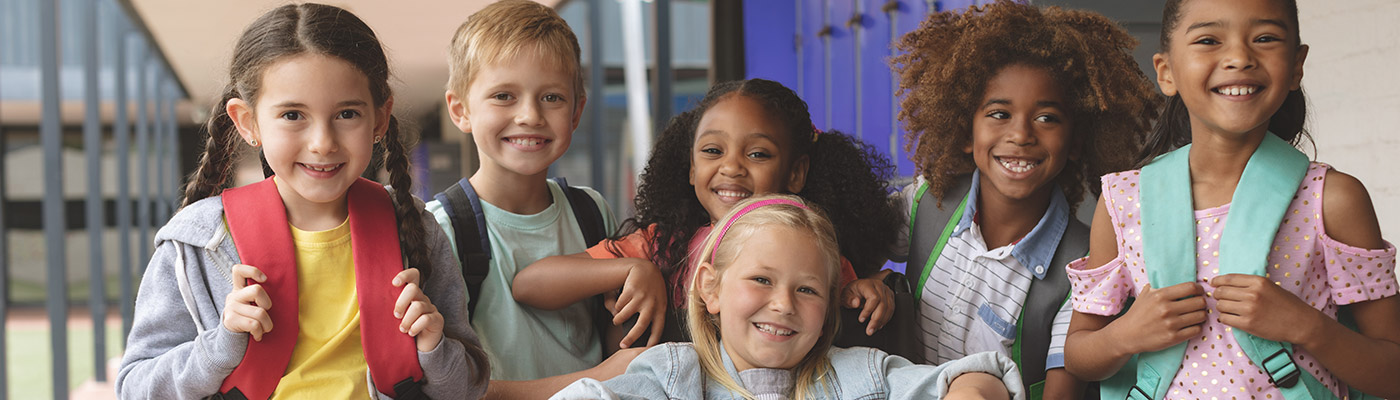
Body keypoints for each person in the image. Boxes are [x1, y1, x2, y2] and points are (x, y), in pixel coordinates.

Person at [116, 4, 488, 398]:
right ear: (247, 122)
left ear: (380, 118)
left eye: (347, 113)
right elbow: (135, 389)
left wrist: (434, 348)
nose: (322, 143)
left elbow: (470, 387)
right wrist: (220, 344)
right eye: (293, 115)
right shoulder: (197, 242)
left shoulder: (414, 227)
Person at [1063, 0, 1400, 398]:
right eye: (1208, 39)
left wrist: (1307, 326)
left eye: (1265, 38)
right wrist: (1126, 334)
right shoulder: (1124, 201)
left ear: (1296, 65)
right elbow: (1078, 354)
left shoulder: (1332, 199)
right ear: (1166, 72)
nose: (1239, 57)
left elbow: (1391, 373)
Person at [886, 2, 1160, 398]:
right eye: (999, 114)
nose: (1021, 134)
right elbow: (832, 258)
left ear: (1077, 141)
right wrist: (873, 281)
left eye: (1047, 118)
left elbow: (1060, 393)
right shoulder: (928, 200)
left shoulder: (1084, 264)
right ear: (966, 132)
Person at [514, 79, 904, 349]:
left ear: (796, 172)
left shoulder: (816, 253)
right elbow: (530, 284)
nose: (731, 167)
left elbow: (846, 305)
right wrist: (633, 270)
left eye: (757, 154)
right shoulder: (661, 245)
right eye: (713, 151)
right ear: (689, 167)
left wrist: (864, 293)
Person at [552, 195, 1023, 399]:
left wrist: (973, 393)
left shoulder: (861, 373)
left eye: (807, 289)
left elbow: (978, 377)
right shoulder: (673, 374)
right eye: (761, 280)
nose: (783, 304)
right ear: (710, 288)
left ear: (829, 305)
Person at [425, 1, 640, 397]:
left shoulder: (591, 212)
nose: (529, 115)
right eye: (504, 95)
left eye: (552, 98)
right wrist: (600, 378)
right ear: (460, 110)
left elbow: (619, 343)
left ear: (577, 111)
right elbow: (449, 389)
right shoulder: (439, 229)